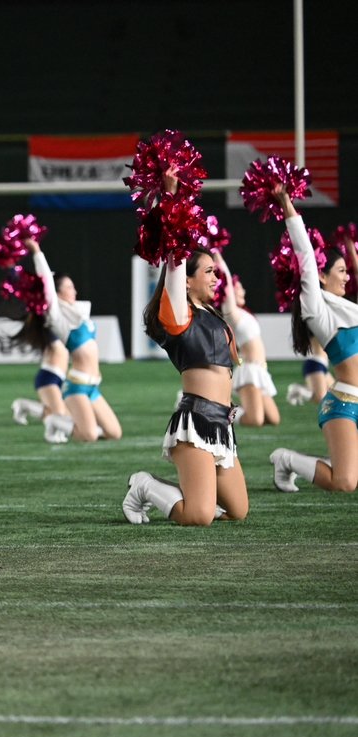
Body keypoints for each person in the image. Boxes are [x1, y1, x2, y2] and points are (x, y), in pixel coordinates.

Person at [123, 167, 247, 526]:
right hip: (196, 422)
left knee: (238, 511)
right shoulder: (178, 314)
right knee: (199, 516)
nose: (215, 277)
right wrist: (171, 197)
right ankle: (145, 486)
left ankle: (195, 493)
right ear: (187, 281)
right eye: (207, 272)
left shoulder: (213, 315)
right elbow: (175, 258)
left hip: (222, 423)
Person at [268, 188, 358, 494]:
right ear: (321, 276)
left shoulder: (348, 308)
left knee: (349, 472)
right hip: (343, 404)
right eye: (341, 271)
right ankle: (287, 460)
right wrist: (287, 204)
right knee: (344, 482)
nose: (347, 277)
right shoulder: (317, 309)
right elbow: (305, 255)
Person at [30, 240, 123, 443]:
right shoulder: (59, 321)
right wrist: (37, 252)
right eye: (69, 287)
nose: (74, 291)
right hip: (77, 386)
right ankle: (53, 420)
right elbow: (46, 284)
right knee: (88, 435)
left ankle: (68, 422)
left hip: (94, 385)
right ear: (58, 293)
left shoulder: (79, 314)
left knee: (114, 433)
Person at [214, 253, 280, 426]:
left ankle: (224, 408)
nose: (242, 291)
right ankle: (218, 411)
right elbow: (226, 284)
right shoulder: (232, 314)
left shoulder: (244, 314)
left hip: (260, 371)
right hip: (249, 370)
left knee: (273, 419)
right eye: (238, 288)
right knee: (254, 419)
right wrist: (218, 256)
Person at [9, 327, 68, 435]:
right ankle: (24, 405)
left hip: (59, 375)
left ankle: (24, 405)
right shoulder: (49, 327)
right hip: (50, 376)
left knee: (66, 415)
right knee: (59, 416)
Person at [286, 339, 334, 406]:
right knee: (321, 398)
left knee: (335, 395)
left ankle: (304, 391)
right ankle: (299, 390)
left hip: (321, 363)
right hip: (316, 363)